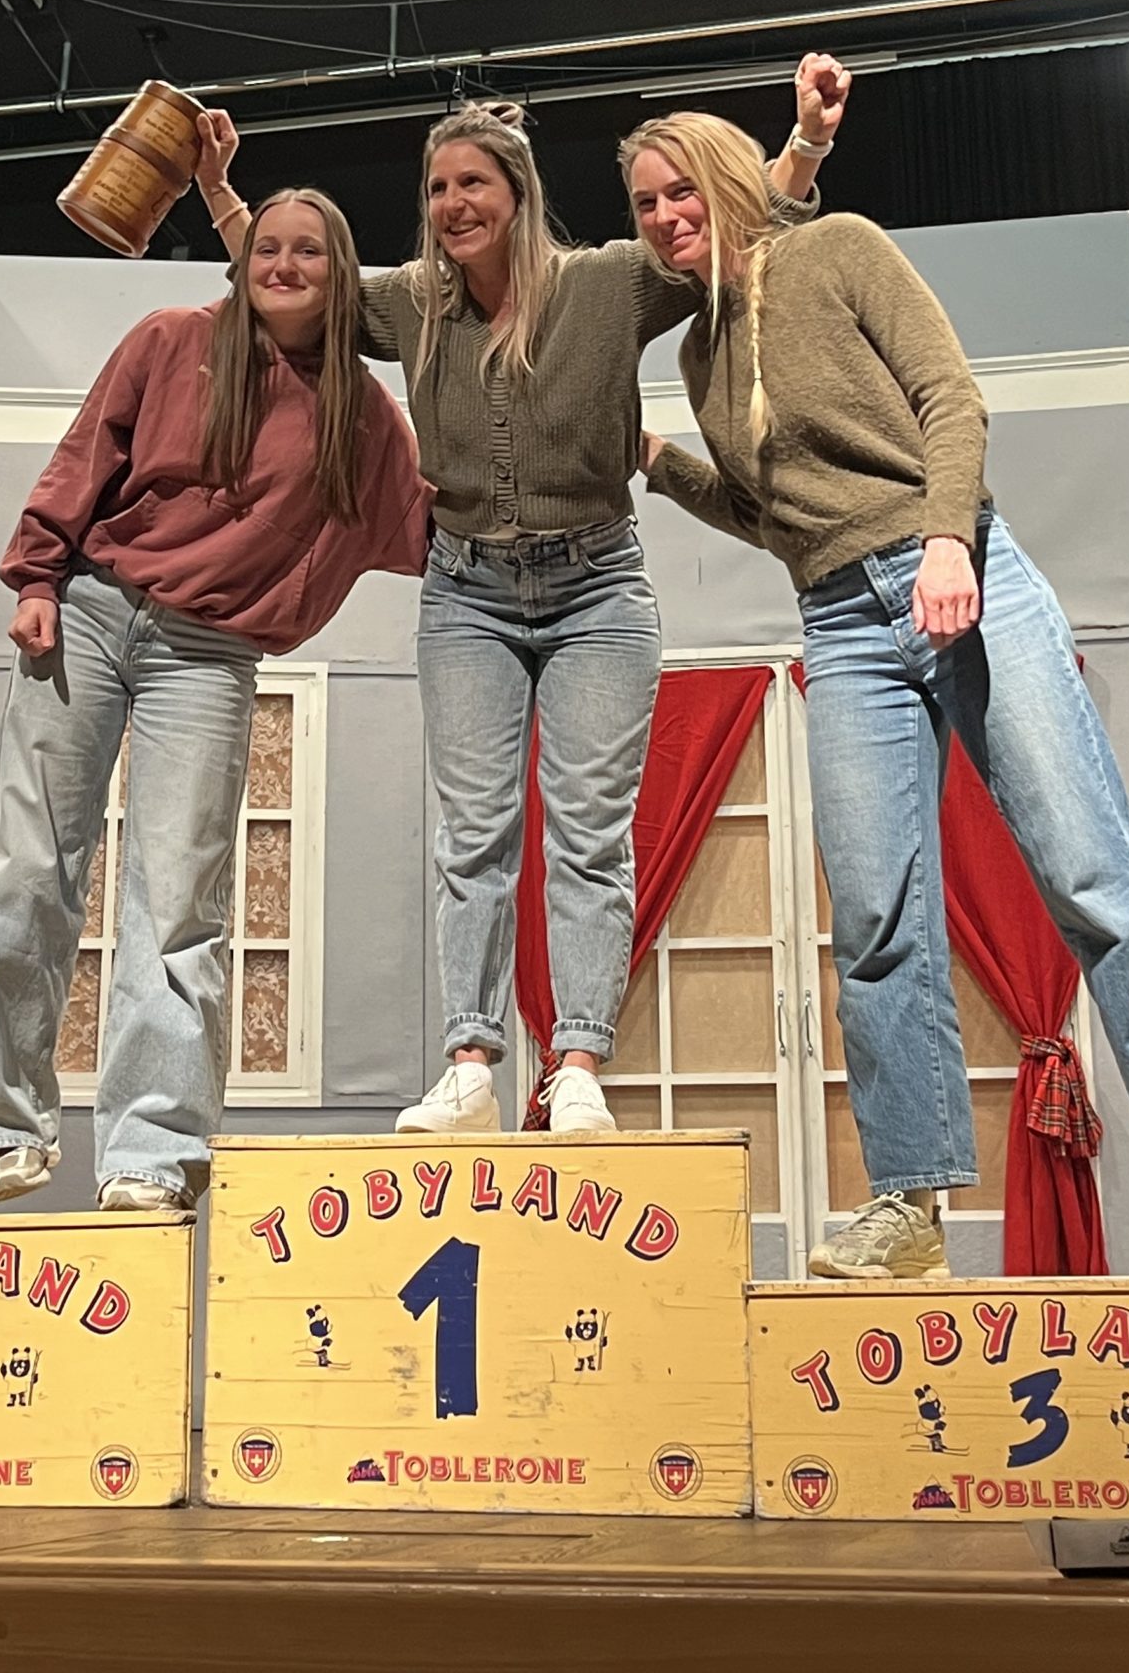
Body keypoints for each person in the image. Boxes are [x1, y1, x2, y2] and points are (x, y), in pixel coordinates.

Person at [625, 110, 1129, 1280]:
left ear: (728, 180)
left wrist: (944, 542)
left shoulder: (840, 249)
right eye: (646, 204)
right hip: (840, 620)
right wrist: (666, 467)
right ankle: (911, 1202)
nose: (668, 217)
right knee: (875, 919)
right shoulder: (697, 357)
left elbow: (950, 400)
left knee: (1087, 868)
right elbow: (778, 519)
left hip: (964, 571)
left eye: (681, 191)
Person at [197, 59, 849, 1139]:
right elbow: (292, 287)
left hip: (597, 590)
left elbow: (738, 230)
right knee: (475, 834)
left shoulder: (608, 283)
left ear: (516, 192)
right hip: (468, 596)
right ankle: (470, 1066)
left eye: (472, 183)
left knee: (589, 834)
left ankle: (578, 1064)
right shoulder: (412, 304)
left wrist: (808, 142)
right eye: (437, 187)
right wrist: (223, 193)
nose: (453, 204)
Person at [0, 190, 430, 1211]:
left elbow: (435, 522)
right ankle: (8, 1125)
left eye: (310, 252)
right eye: (269, 247)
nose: (284, 265)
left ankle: (150, 1155)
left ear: (341, 276)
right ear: (242, 261)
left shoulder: (361, 413)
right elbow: (84, 458)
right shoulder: (170, 339)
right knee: (31, 869)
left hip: (207, 654)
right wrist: (36, 580)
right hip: (89, 611)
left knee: (177, 902)